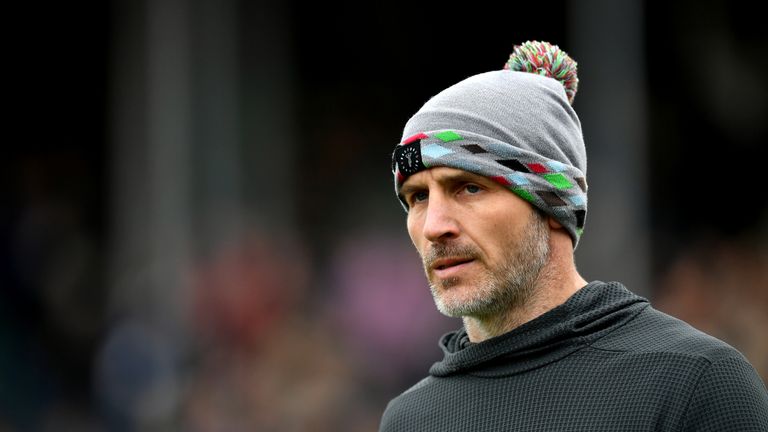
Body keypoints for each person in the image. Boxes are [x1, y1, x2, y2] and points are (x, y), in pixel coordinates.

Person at [379, 41, 768, 431]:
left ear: (552, 203)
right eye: (418, 197)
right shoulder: (409, 419)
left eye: (469, 187)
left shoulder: (697, 383)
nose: (433, 226)